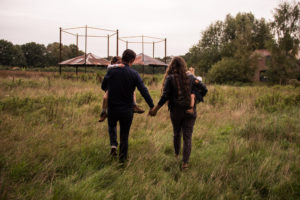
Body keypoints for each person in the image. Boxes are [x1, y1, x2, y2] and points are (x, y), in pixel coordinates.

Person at [149, 57, 207, 169]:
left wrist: (156, 109)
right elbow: (204, 89)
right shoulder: (191, 77)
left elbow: (165, 96)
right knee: (187, 137)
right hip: (190, 112)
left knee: (176, 133)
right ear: (184, 65)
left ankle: (176, 155)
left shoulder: (170, 78)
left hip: (176, 111)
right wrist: (196, 99)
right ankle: (185, 163)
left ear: (172, 66)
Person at [101, 49, 154, 162]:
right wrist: (151, 105)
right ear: (132, 60)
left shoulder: (111, 72)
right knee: (124, 135)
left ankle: (113, 146)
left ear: (123, 57)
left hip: (113, 108)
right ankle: (122, 161)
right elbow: (143, 90)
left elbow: (103, 86)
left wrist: (112, 89)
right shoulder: (134, 74)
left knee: (112, 126)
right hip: (127, 110)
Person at [99, 56, 144, 122]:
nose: (121, 64)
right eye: (118, 62)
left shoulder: (121, 69)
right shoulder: (111, 68)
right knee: (105, 97)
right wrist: (118, 65)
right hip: (111, 88)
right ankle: (103, 112)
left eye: (121, 62)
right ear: (113, 63)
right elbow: (109, 67)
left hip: (120, 87)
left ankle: (134, 105)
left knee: (133, 92)